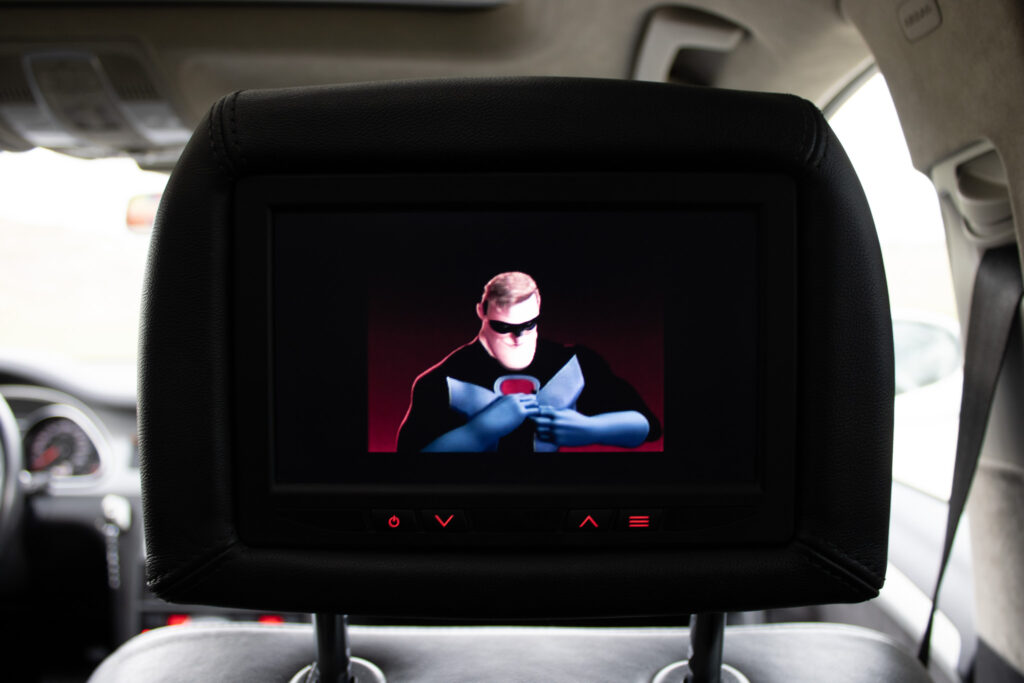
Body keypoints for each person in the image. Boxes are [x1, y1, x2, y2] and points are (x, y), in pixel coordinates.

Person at [396, 272, 661, 452]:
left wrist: (593, 429)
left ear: (538, 312)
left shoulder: (574, 364)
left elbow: (647, 426)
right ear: (481, 312)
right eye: (503, 327)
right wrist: (478, 431)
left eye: (528, 325)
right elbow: (409, 459)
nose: (518, 337)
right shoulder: (441, 380)